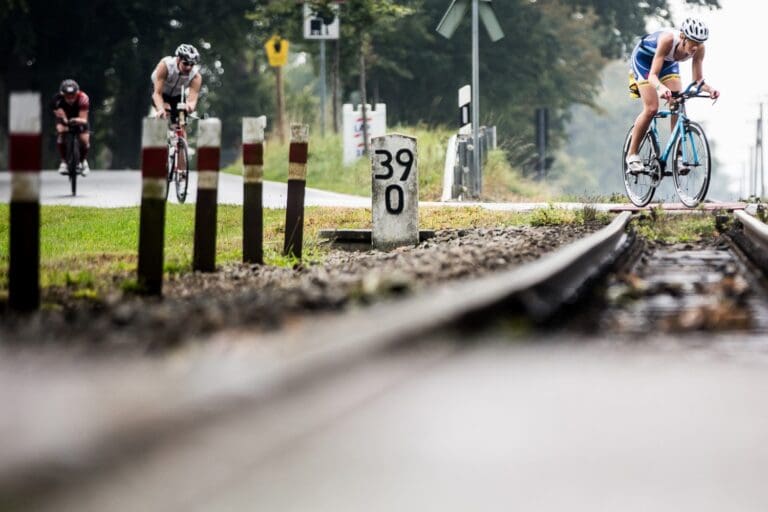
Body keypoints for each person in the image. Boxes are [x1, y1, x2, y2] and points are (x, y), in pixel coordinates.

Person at [625, 17, 720, 174]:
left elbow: (697, 81)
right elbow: (653, 77)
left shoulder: (699, 49)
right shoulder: (668, 40)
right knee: (651, 109)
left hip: (668, 64)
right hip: (644, 62)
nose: (696, 46)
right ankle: (632, 155)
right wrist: (661, 88)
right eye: (693, 41)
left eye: (700, 42)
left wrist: (709, 89)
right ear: (683, 37)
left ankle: (679, 157)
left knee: (678, 103)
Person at [150, 43, 202, 125]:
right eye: (185, 63)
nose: (189, 67)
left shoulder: (196, 76)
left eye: (192, 64)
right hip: (161, 92)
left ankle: (181, 136)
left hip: (177, 96)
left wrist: (188, 107)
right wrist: (161, 108)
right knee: (165, 111)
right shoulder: (165, 66)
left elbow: (192, 101)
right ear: (178, 60)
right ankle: (161, 132)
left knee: (182, 120)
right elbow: (157, 93)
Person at [52, 79, 90, 176]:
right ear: (62, 94)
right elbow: (59, 115)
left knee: (84, 140)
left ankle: (83, 161)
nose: (70, 98)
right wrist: (63, 123)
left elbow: (84, 119)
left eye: (73, 95)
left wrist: (75, 121)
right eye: (67, 96)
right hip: (64, 118)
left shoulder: (83, 98)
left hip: (79, 118)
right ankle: (64, 162)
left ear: (77, 93)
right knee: (61, 133)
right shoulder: (57, 99)